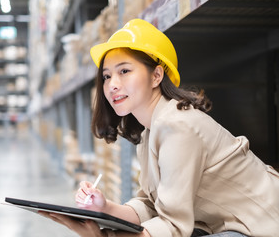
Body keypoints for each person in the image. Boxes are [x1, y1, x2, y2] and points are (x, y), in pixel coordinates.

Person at [40, 19, 279, 237]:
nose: (112, 84)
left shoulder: (177, 126)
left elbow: (173, 227)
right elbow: (151, 206)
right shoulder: (151, 130)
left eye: (124, 71)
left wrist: (103, 236)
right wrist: (103, 207)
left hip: (264, 226)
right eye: (106, 76)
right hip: (233, 226)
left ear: (156, 76)